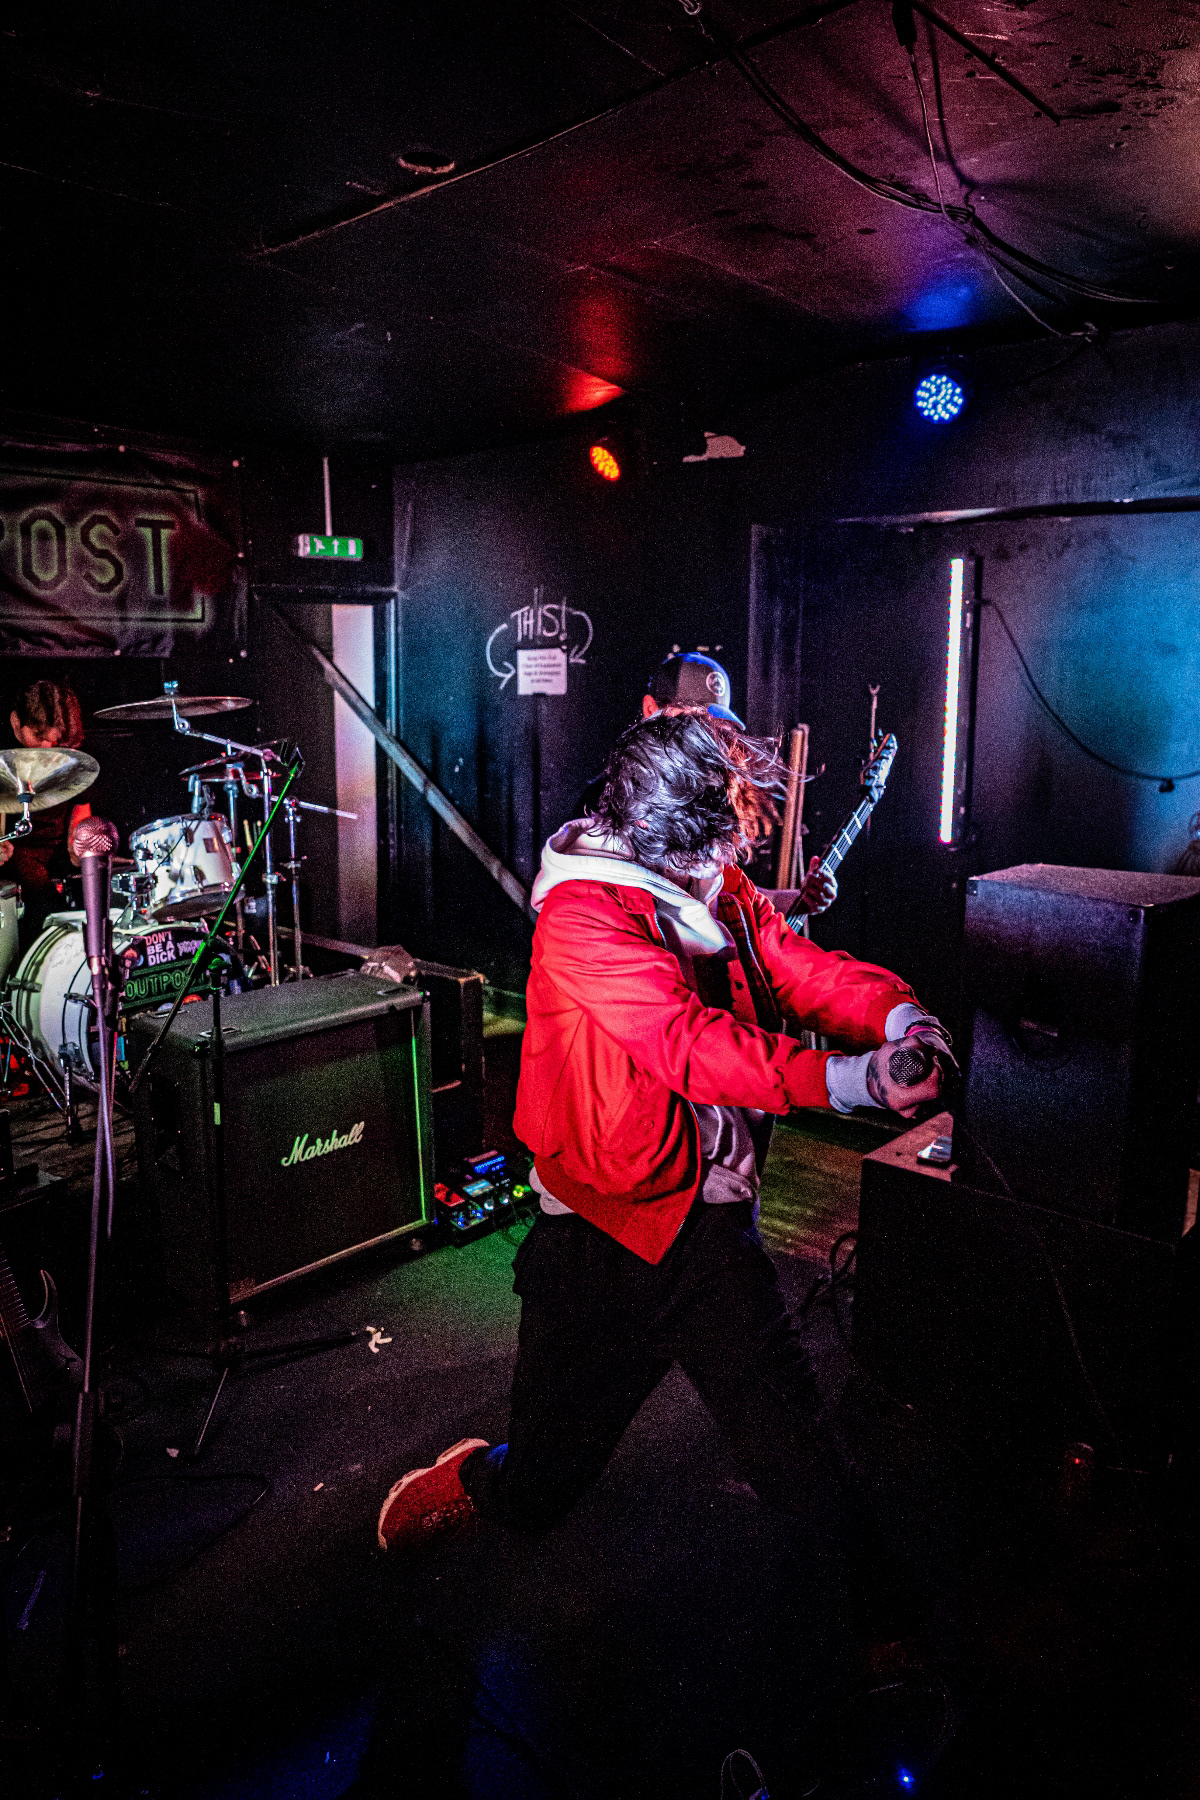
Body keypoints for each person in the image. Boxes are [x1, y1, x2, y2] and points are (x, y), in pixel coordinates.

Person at [377, 709, 954, 1607]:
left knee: (790, 1442)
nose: (729, 860)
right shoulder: (581, 916)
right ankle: (481, 1480)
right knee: (542, 1483)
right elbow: (686, 1044)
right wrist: (854, 1080)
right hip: (602, 1221)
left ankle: (889, 1628)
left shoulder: (706, 875)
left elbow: (794, 965)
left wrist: (899, 1015)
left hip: (706, 1220)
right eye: (711, 840)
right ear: (647, 823)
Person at [645, 650, 837, 918]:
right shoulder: (615, 801)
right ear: (651, 710)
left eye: (716, 725)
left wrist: (801, 900)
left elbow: (734, 900)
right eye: (694, 720)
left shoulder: (709, 796)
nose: (708, 736)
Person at [0, 678, 99, 940]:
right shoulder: (3, 755)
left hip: (56, 852)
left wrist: (79, 845)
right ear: (16, 723)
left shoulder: (68, 751)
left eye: (53, 741)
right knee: (38, 889)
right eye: (38, 736)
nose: (46, 747)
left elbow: (81, 806)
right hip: (17, 851)